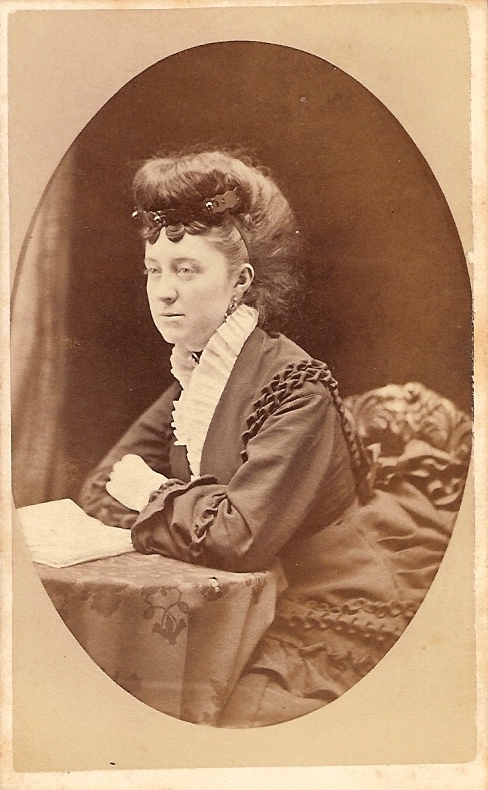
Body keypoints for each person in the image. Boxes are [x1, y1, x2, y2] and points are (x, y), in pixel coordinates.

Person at [79, 149, 470, 727]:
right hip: (231, 603)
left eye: (186, 270)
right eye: (153, 270)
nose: (163, 291)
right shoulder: (195, 371)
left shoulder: (293, 387)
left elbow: (238, 537)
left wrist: (154, 498)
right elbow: (101, 488)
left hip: (321, 603)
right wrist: (174, 505)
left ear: (241, 281)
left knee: (236, 730)